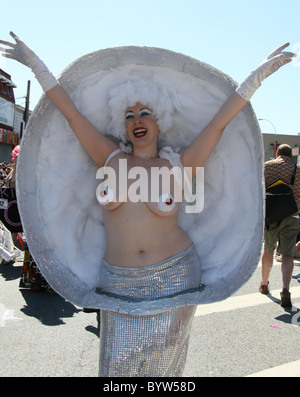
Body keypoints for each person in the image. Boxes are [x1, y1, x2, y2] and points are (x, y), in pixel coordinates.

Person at [0, 32, 295, 376]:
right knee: (115, 371)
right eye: (129, 115)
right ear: (122, 126)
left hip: (175, 276)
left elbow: (218, 125)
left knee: (163, 372)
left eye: (144, 112)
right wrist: (39, 69)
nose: (137, 119)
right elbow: (72, 115)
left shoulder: (178, 166)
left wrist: (254, 79)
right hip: (118, 281)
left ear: (160, 121)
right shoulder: (109, 159)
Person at [260, 144, 300, 307]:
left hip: (271, 216)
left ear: (277, 154)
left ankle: (264, 284)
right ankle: (285, 289)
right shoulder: (297, 170)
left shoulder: (266, 167)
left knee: (268, 250)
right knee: (288, 254)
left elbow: (258, 189)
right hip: (292, 216)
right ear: (290, 156)